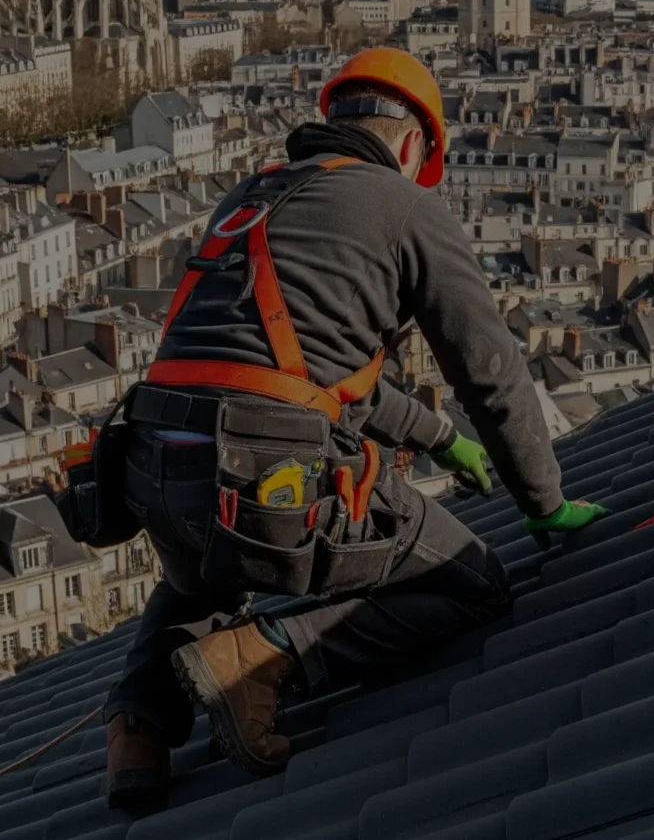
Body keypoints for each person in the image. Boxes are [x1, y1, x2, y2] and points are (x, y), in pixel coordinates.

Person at [101, 47, 607, 807]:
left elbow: (308, 378)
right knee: (473, 581)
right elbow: (488, 364)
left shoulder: (250, 197)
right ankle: (266, 659)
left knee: (204, 570)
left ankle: (138, 731)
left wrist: (440, 438)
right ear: (413, 145)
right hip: (265, 476)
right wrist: (543, 499)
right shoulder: (404, 206)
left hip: (150, 463)